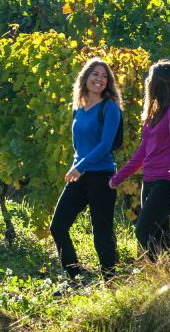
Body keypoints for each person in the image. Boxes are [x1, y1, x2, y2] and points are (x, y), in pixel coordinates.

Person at [109, 60, 170, 262]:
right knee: (161, 235)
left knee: (143, 231)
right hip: (150, 180)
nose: (147, 82)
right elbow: (143, 152)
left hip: (167, 182)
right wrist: (119, 177)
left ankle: (158, 276)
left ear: (157, 83)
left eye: (150, 79)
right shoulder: (156, 112)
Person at [49, 58, 122, 285]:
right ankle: (76, 278)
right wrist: (78, 165)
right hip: (80, 175)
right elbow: (79, 145)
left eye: (104, 76)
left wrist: (80, 166)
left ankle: (111, 283)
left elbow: (105, 145)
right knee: (58, 227)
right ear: (86, 77)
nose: (99, 79)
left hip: (101, 175)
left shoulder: (110, 107)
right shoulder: (78, 107)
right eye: (95, 74)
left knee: (102, 234)